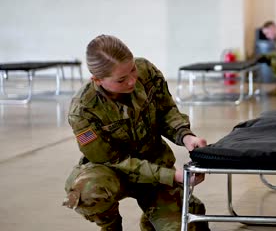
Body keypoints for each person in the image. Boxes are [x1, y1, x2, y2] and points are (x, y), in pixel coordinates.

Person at [62, 35, 210, 231]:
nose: (132, 80)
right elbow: (112, 160)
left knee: (181, 227)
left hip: (155, 165)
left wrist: (185, 136)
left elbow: (166, 111)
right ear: (97, 80)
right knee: (87, 193)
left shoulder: (146, 71)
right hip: (113, 171)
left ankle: (159, 216)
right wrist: (172, 176)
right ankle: (111, 226)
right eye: (121, 79)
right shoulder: (83, 109)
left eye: (132, 69)